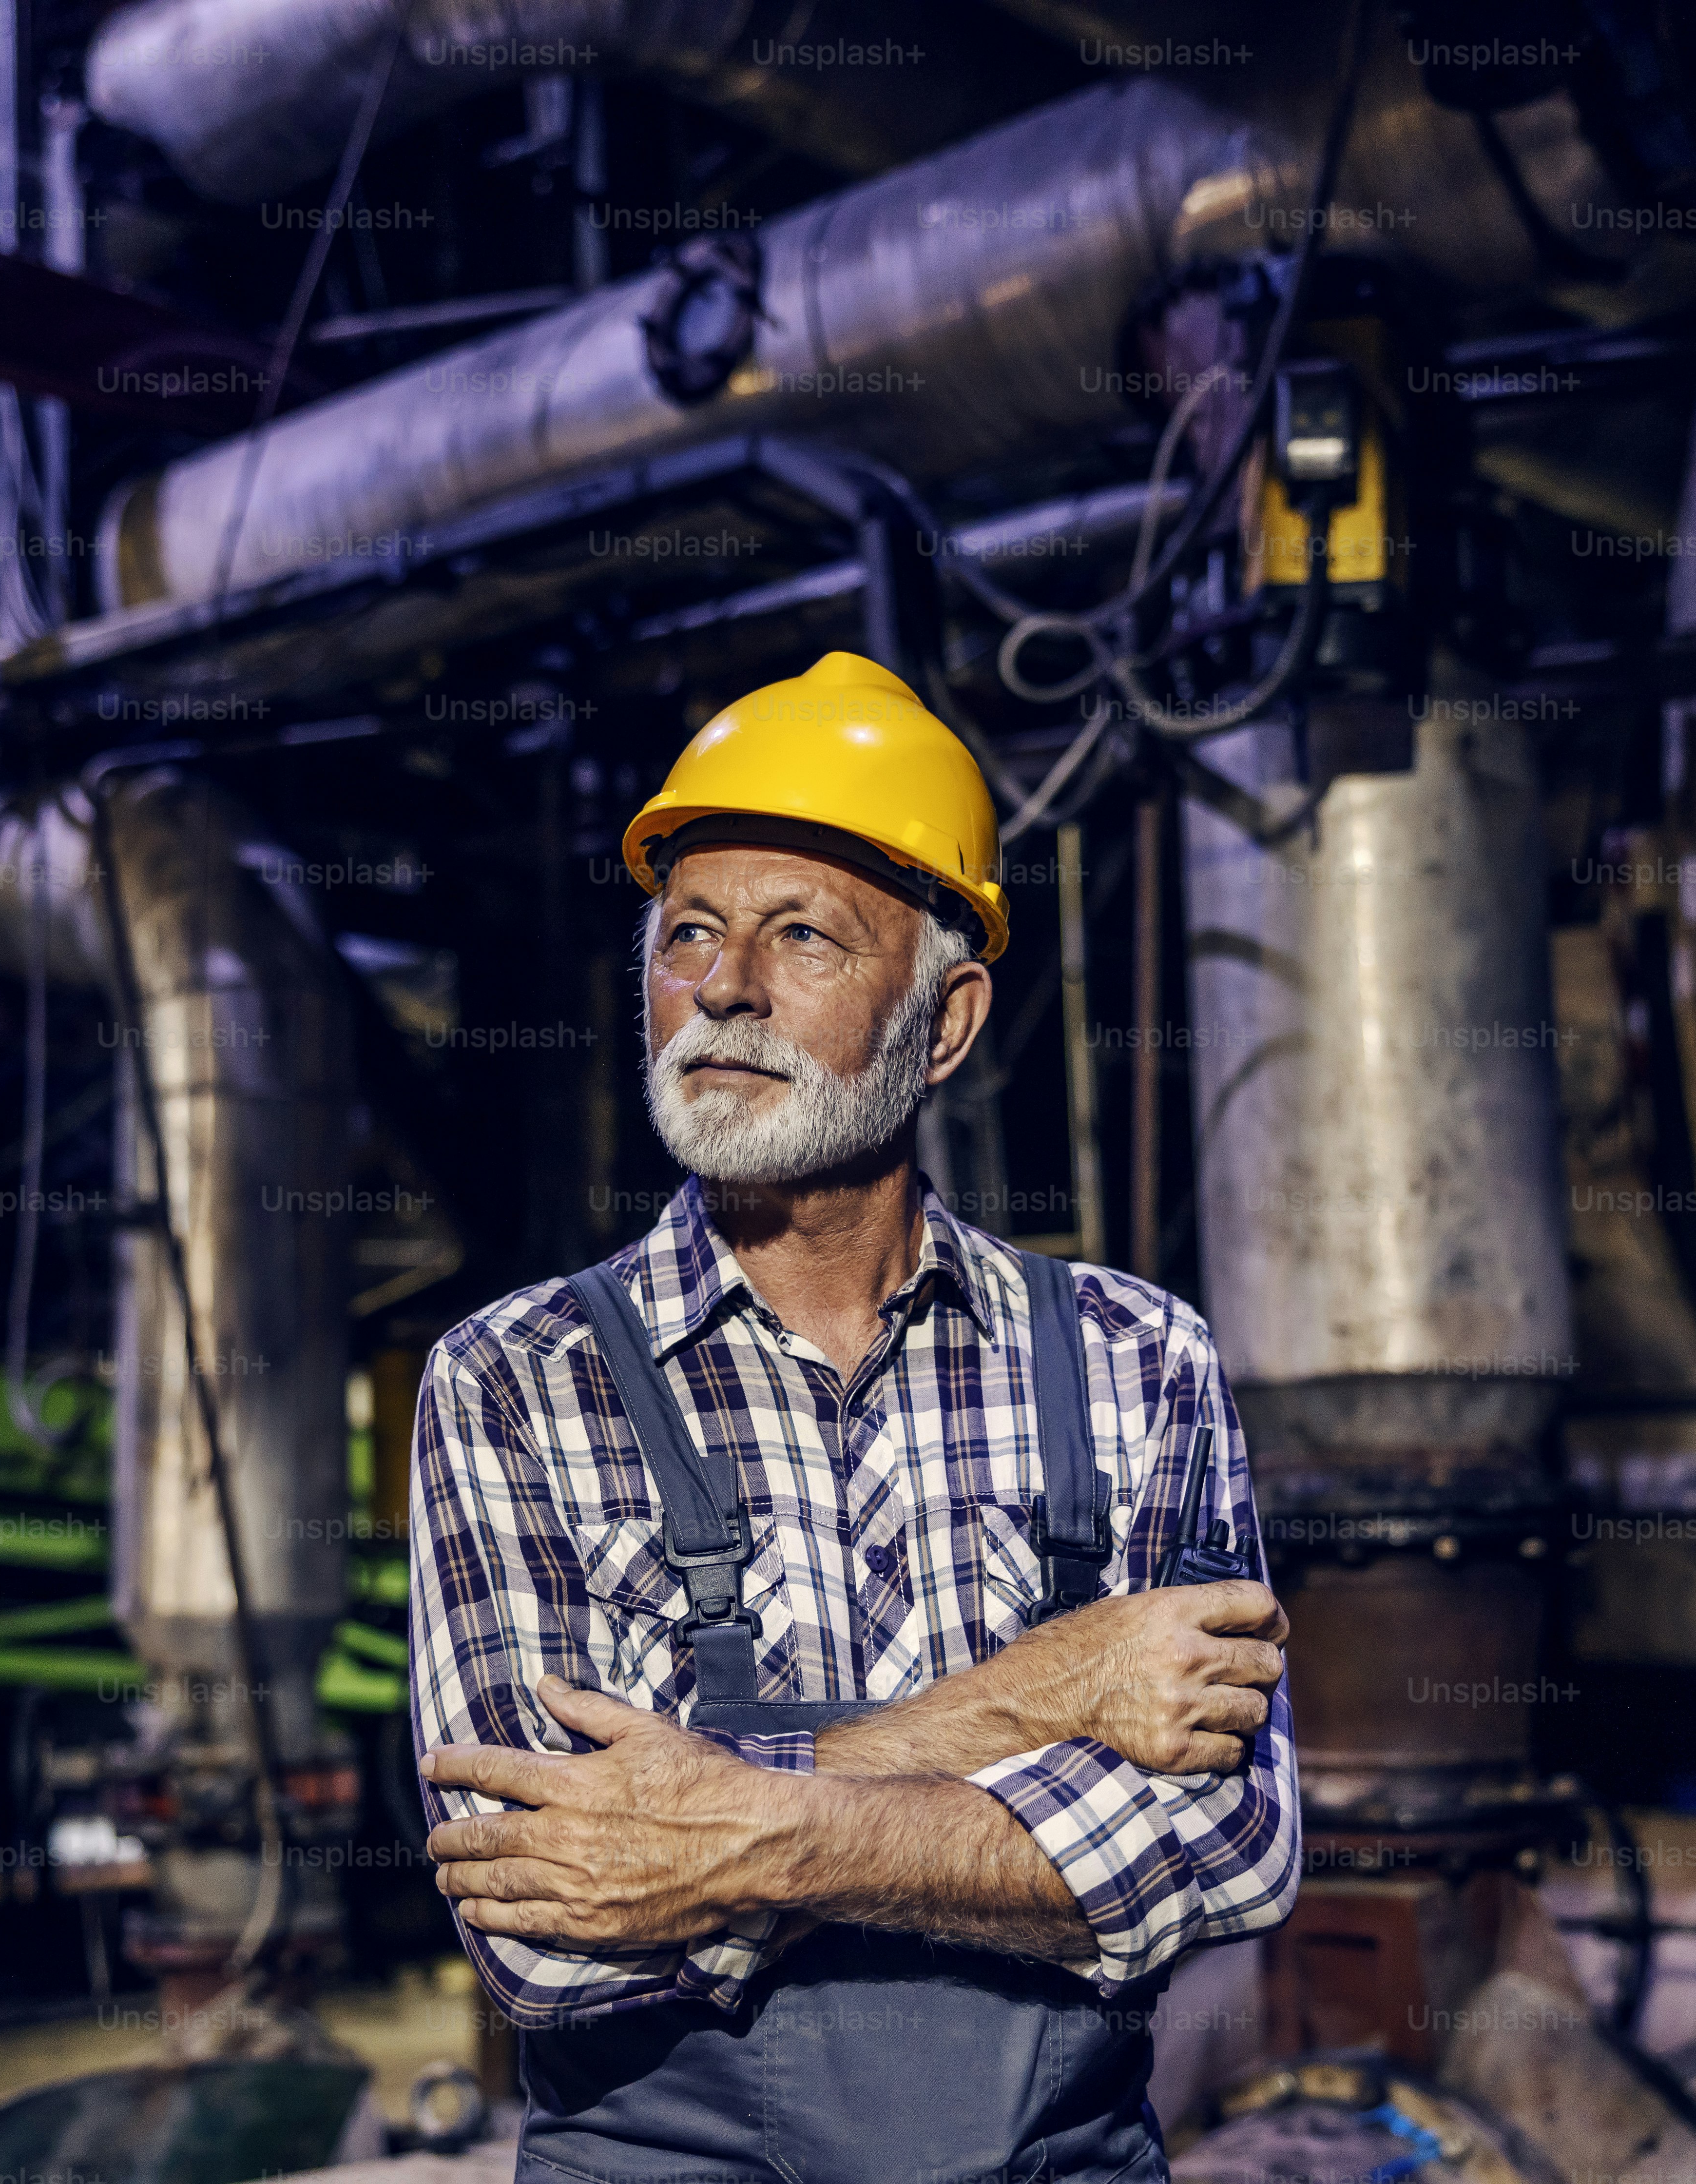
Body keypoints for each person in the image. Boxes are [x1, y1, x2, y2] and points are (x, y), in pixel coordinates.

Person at [406, 651, 1297, 2183]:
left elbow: (1230, 1851)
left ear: (944, 1023)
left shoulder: (1136, 1357)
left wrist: (731, 1826)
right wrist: (1046, 1700)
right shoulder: (516, 1379)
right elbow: (542, 1929)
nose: (723, 987)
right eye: (689, 933)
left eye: (801, 934)